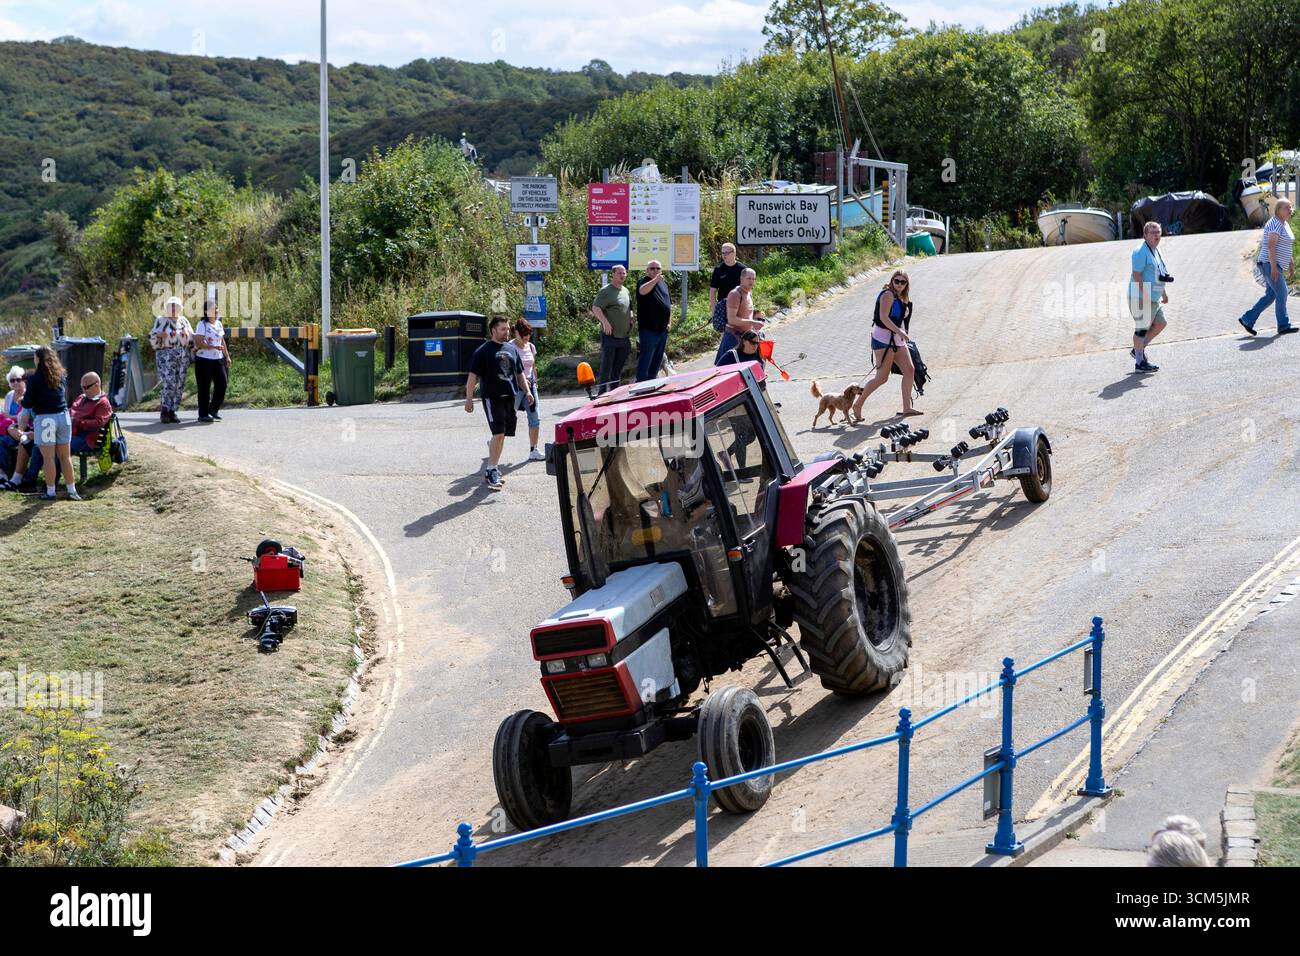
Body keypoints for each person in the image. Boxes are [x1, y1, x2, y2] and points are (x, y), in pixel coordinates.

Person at [465, 315, 532, 490]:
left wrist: (528, 391)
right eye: (503, 329)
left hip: (510, 397)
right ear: (493, 330)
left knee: (502, 435)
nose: (507, 332)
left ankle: (492, 462)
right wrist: (469, 399)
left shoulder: (511, 349)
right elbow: (473, 377)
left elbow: (519, 374)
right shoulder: (483, 351)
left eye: (508, 329)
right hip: (492, 398)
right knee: (499, 434)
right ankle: (491, 470)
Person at [850, 270, 921, 420]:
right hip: (883, 339)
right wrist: (901, 332)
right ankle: (857, 404)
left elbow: (900, 318)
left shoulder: (901, 296)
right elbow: (883, 317)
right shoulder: (888, 294)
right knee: (881, 378)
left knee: (910, 370)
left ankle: (907, 407)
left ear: (907, 284)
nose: (900, 284)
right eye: (897, 281)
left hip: (897, 340)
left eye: (903, 282)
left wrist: (901, 333)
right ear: (892, 280)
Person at [10, 345, 78, 500]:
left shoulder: (34, 378)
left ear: (39, 359)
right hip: (63, 417)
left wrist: (21, 399)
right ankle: (72, 490)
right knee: (65, 457)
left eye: (35, 357)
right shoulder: (61, 375)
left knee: (48, 458)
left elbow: (28, 403)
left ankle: (51, 491)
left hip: (46, 419)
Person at [1238, 198, 1295, 337]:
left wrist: (1291, 262)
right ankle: (1283, 325)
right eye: (1287, 207)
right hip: (1269, 264)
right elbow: (1271, 246)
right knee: (1282, 293)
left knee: (1271, 295)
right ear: (1278, 210)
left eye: (1290, 207)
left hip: (1274, 264)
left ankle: (1247, 319)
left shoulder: (1284, 223)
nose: (1290, 210)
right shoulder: (1275, 224)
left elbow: (1286, 244)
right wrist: (1274, 268)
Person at [1129, 222, 1170, 372]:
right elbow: (1136, 275)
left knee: (1161, 323)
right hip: (1140, 296)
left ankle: (1137, 349)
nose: (1156, 235)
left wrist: (1163, 293)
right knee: (1141, 329)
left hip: (1153, 297)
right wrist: (1145, 295)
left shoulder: (1156, 250)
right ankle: (1139, 363)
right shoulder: (1140, 251)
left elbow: (1159, 274)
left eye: (1158, 232)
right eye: (1152, 232)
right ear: (1144, 235)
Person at [150, 295, 193, 423]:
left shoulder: (184, 320)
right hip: (166, 355)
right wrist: (159, 335)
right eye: (171, 307)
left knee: (180, 383)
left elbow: (191, 336)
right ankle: (164, 410)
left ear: (180, 308)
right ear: (167, 308)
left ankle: (173, 411)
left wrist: (195, 347)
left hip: (182, 355)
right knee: (169, 382)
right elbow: (152, 336)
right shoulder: (161, 320)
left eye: (176, 307)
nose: (174, 309)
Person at [506, 318, 545, 461]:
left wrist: (535, 380)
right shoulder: (509, 347)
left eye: (528, 334)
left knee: (535, 419)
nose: (526, 337)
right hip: (515, 388)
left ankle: (533, 450)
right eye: (523, 334)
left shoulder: (531, 346)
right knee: (507, 418)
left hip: (530, 386)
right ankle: (494, 441)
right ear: (515, 332)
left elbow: (532, 365)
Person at [592, 265, 633, 393]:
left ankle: (614, 392)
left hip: (624, 336)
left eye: (624, 273)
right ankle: (602, 394)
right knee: (606, 367)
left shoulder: (625, 291)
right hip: (610, 336)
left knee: (618, 368)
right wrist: (605, 322)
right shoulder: (606, 291)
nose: (622, 275)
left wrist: (631, 318)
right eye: (620, 273)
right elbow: (596, 308)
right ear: (613, 275)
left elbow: (630, 307)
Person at [192, 298, 231, 422]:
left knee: (222, 384)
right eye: (214, 309)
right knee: (204, 388)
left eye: (217, 308)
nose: (216, 310)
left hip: (218, 359)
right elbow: (199, 342)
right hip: (204, 360)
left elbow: (222, 341)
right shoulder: (202, 325)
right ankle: (202, 414)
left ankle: (213, 409)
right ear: (206, 311)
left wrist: (227, 356)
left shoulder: (219, 324)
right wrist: (213, 347)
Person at [716, 268, 766, 362]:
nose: (751, 281)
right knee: (727, 369)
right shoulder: (735, 294)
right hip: (733, 338)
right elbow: (731, 319)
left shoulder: (749, 293)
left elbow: (746, 313)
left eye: (753, 279)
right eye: (749, 278)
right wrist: (752, 322)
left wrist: (756, 320)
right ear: (741, 279)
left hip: (746, 338)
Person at [635, 260, 672, 381]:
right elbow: (642, 291)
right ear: (647, 270)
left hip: (662, 329)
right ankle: (641, 383)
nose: (656, 270)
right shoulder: (644, 281)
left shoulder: (664, 284)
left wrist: (669, 322)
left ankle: (651, 382)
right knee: (646, 358)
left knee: (657, 358)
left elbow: (668, 304)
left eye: (658, 268)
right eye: (652, 268)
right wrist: (655, 280)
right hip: (649, 329)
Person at [70, 372, 112, 459]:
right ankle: (36, 472)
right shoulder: (81, 397)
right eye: (82, 387)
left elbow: (98, 423)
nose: (84, 390)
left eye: (86, 387)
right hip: (72, 434)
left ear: (97, 385)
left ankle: (55, 472)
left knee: (59, 446)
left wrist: (77, 422)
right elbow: (71, 410)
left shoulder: (103, 403)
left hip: (86, 439)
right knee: (42, 444)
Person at [709, 243, 746, 331]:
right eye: (722, 253)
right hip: (723, 307)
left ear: (734, 253)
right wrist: (714, 311)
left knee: (740, 333)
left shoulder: (743, 269)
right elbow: (712, 291)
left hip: (740, 305)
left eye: (726, 253)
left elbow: (748, 290)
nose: (724, 255)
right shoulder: (718, 269)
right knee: (726, 334)